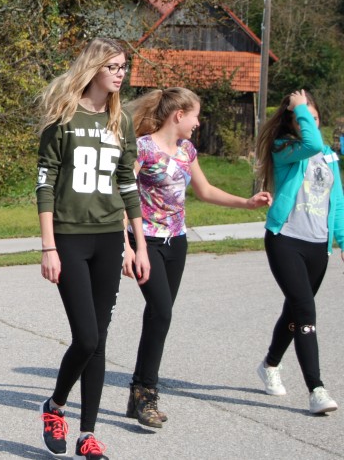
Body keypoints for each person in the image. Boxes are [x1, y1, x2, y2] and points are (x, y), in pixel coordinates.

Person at [124, 88, 272, 428]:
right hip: (145, 240)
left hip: (177, 243)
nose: (198, 122)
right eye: (195, 115)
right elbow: (122, 196)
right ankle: (146, 393)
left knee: (160, 316)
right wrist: (127, 247)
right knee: (160, 311)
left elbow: (204, 191)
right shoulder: (143, 148)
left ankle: (138, 392)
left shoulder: (187, 150)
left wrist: (246, 203)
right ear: (178, 115)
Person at [35, 37, 150, 460]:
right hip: (68, 238)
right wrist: (48, 247)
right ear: (94, 68)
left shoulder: (121, 122)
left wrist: (138, 245)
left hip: (108, 239)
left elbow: (128, 185)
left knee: (99, 341)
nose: (121, 74)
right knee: (85, 337)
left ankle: (88, 433)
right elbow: (45, 185)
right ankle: (55, 406)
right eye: (114, 67)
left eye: (124, 67)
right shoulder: (63, 118)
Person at [255, 89, 343, 415]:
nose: (312, 124)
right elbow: (312, 143)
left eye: (315, 117)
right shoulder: (286, 148)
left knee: (295, 311)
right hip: (286, 240)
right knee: (306, 311)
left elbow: (338, 203)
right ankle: (316, 389)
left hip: (318, 246)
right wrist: (300, 110)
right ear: (295, 122)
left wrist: (343, 242)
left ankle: (270, 364)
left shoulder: (330, 158)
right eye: (306, 118)